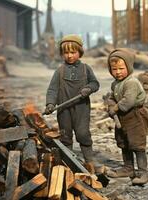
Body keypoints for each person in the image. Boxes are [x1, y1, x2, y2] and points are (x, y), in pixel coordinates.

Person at [44, 34, 100, 173]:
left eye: (73, 52)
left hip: (81, 109)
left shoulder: (86, 69)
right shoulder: (60, 70)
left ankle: (89, 162)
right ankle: (70, 164)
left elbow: (95, 83)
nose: (69, 56)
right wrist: (50, 104)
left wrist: (88, 89)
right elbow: (52, 89)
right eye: (66, 53)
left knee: (83, 134)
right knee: (66, 136)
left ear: (80, 52)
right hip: (64, 109)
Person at [106, 48, 148, 185]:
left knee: (137, 144)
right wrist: (111, 104)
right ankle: (128, 168)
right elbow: (112, 97)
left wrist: (116, 107)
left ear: (129, 67)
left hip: (135, 115)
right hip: (122, 117)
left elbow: (128, 101)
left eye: (121, 68)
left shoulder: (131, 82)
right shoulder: (115, 84)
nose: (118, 72)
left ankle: (143, 172)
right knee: (124, 142)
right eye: (114, 69)